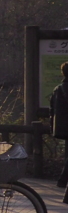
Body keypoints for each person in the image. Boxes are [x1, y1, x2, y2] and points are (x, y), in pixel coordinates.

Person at [49, 61, 68, 189]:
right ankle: (62, 180)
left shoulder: (58, 89)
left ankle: (62, 181)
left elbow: (52, 110)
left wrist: (52, 126)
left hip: (62, 126)